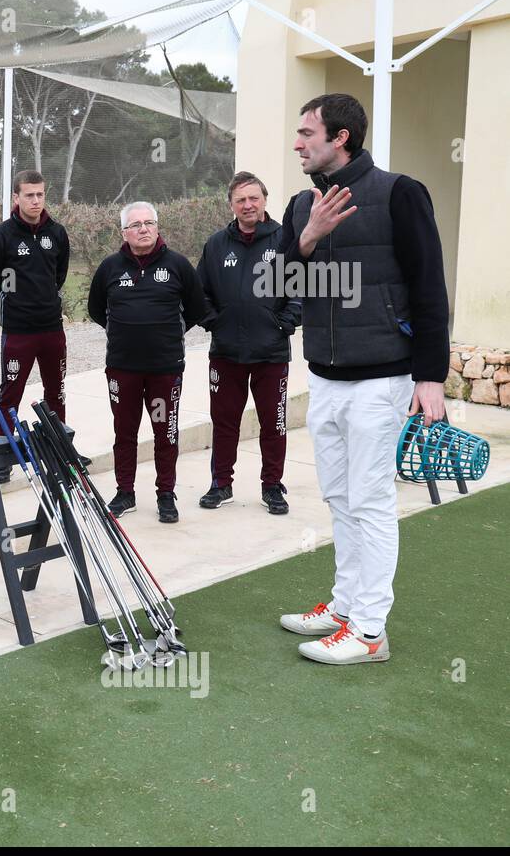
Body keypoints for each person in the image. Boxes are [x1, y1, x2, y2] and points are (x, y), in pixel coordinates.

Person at [276, 93, 449, 665]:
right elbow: (275, 285)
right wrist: (308, 238)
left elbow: (429, 289)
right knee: (338, 496)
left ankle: (370, 632)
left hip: (384, 378)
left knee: (371, 501)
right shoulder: (301, 204)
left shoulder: (400, 192)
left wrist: (431, 376)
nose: (298, 143)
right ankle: (345, 607)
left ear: (340, 137)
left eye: (307, 133)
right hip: (324, 375)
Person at [88, 201, 210, 524]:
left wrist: (166, 335)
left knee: (164, 433)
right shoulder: (110, 268)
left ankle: (165, 494)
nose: (143, 229)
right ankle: (124, 492)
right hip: (122, 369)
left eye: (149, 223)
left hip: (164, 371)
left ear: (157, 227)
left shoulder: (178, 266)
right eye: (135, 225)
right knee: (124, 432)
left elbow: (197, 309)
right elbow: (97, 310)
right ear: (124, 232)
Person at [196, 171, 300, 515]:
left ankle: (272, 486)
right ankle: (221, 484)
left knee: (274, 422)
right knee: (225, 422)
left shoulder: (286, 240)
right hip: (226, 353)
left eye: (253, 198)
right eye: (240, 199)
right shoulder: (215, 244)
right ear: (231, 205)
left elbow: (301, 286)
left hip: (271, 353)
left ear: (265, 201)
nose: (247, 205)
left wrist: (285, 322)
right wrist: (214, 321)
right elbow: (200, 293)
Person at [0, 169, 70, 481]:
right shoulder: (1, 236)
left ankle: (59, 452)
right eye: (29, 195)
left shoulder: (57, 233)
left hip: (51, 329)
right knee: (10, 395)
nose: (36, 201)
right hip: (18, 333)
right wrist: (11, 314)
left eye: (40, 194)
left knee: (56, 392)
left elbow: (59, 275)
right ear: (16, 198)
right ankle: (4, 458)